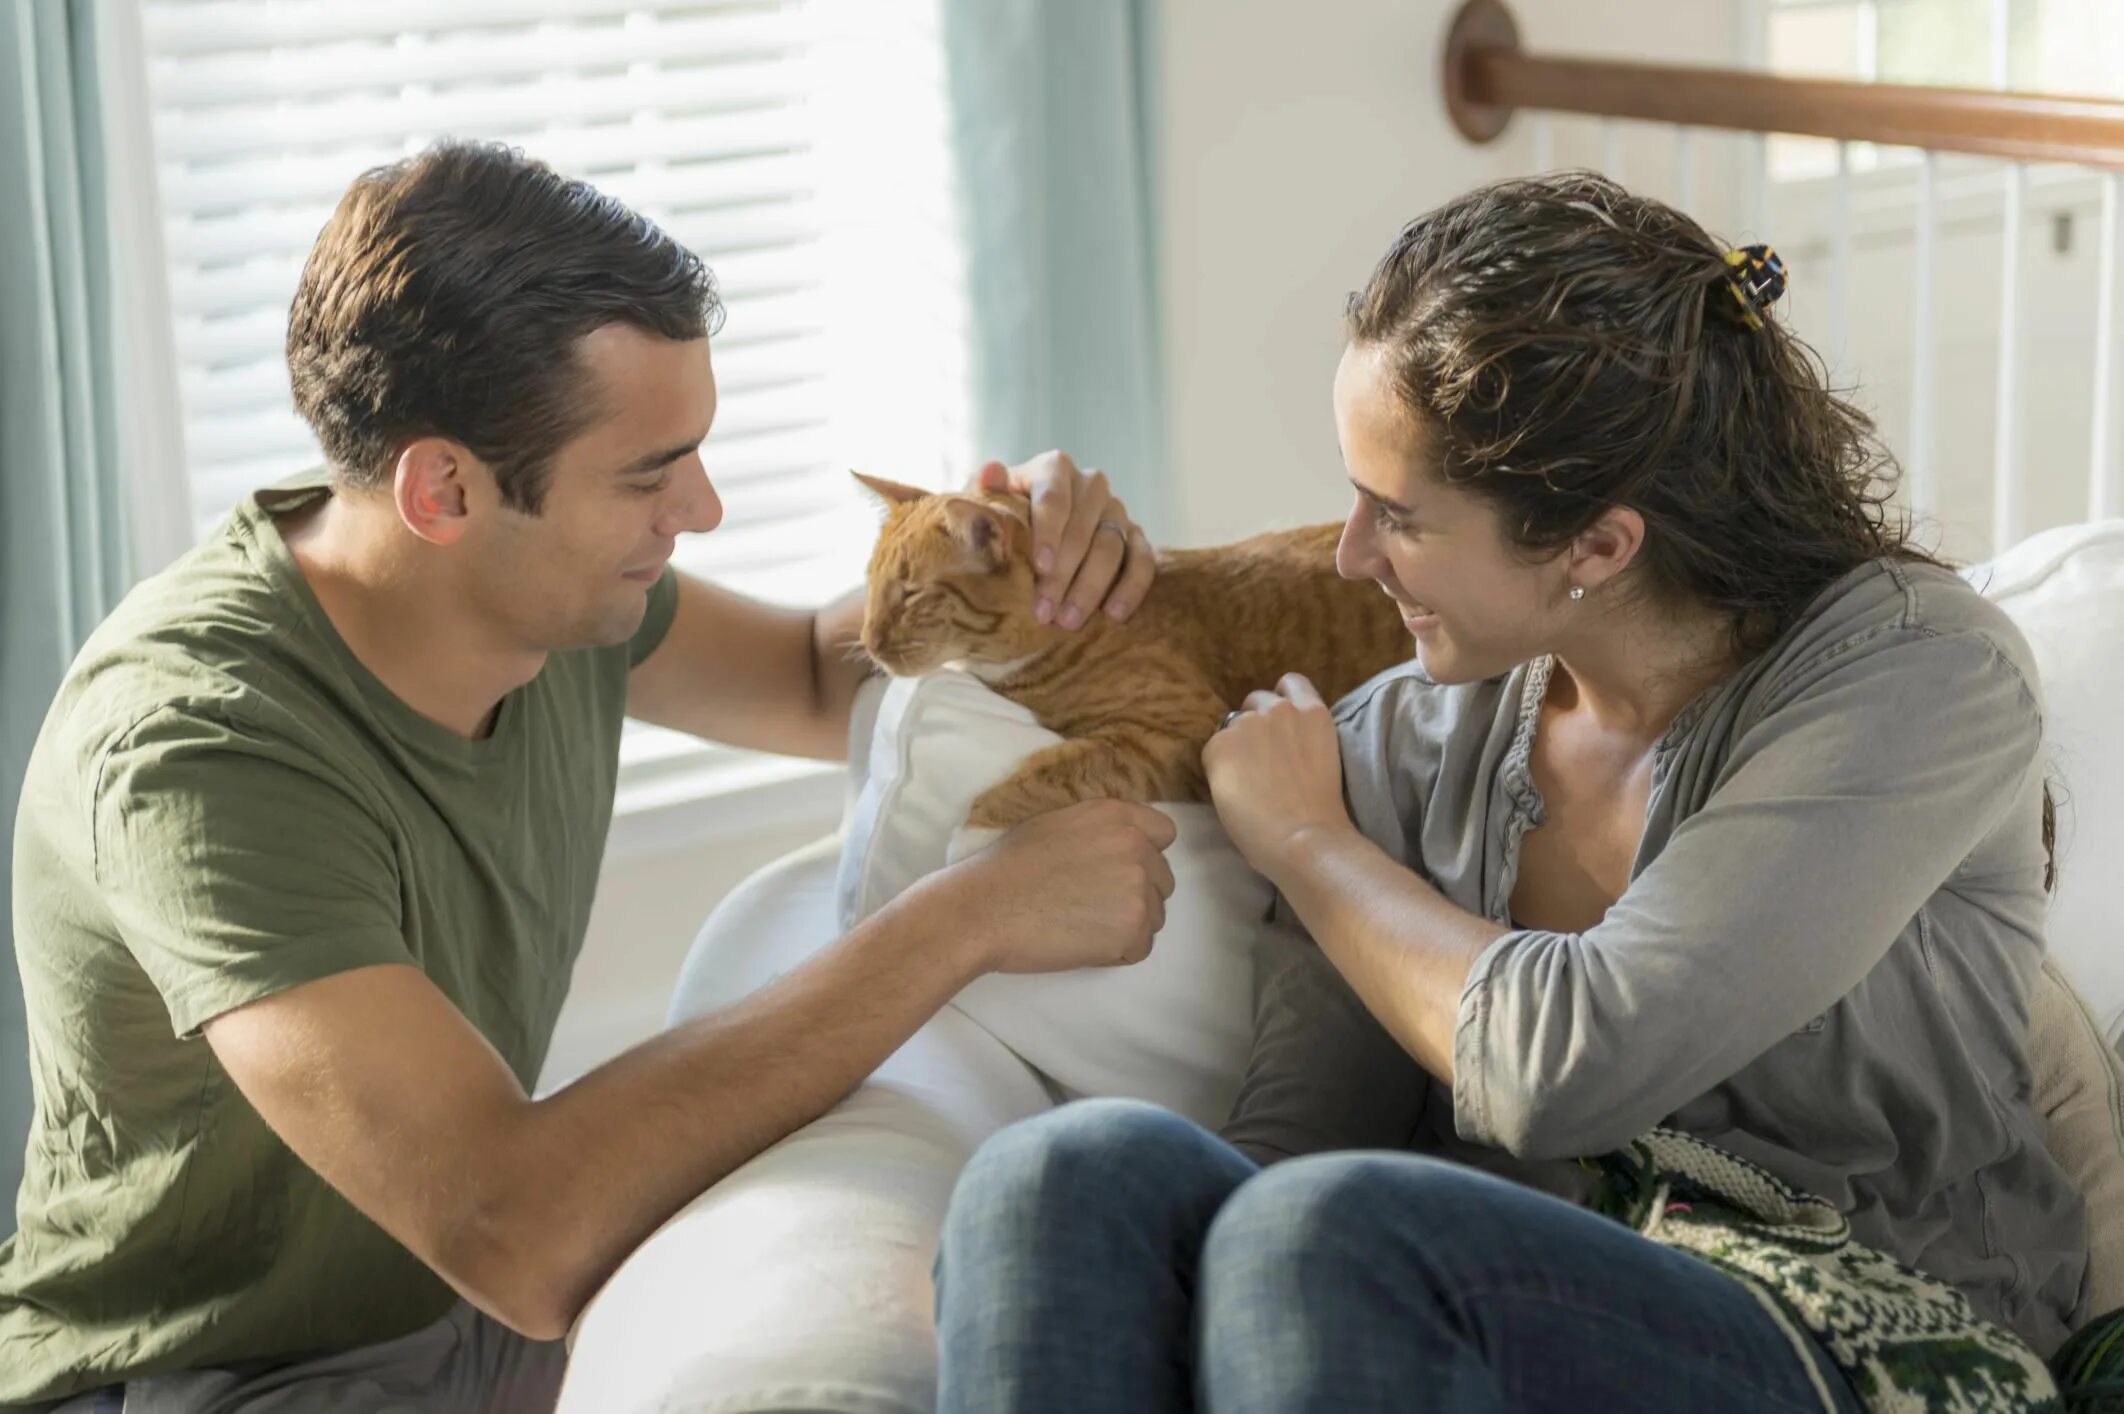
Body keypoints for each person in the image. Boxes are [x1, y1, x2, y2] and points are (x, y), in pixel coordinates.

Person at [0, 139, 1179, 1412]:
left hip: (452, 1317)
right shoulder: (198, 751)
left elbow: (811, 674)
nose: (706, 508)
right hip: (198, 1374)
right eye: (649, 474)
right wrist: (973, 913)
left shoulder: (536, 595)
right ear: (443, 488)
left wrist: (1027, 556)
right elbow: (519, 1229)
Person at [932, 172, 2088, 1413]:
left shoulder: (1918, 680)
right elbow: (1287, 1160)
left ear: (1597, 544)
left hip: (1868, 1336)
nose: (1350, 556)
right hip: (1461, 1319)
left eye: (1399, 517)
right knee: (1063, 1173)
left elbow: (1571, 1065)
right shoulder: (1392, 745)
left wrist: (1312, 845)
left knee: (1335, 1228)